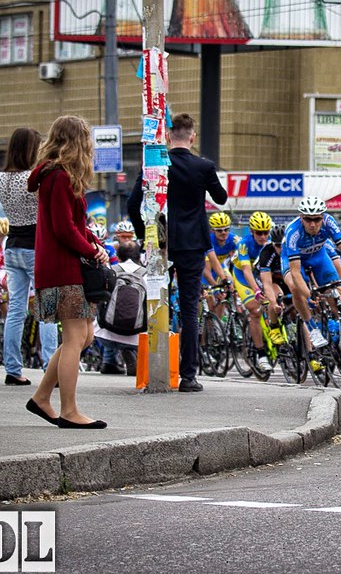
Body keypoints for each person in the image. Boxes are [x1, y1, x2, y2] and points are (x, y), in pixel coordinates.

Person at [127, 112, 228, 393]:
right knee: (189, 310)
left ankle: (155, 368)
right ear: (192, 137)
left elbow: (133, 203)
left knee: (156, 304)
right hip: (193, 245)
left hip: (161, 245)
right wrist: (205, 181)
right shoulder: (203, 166)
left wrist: (144, 234)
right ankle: (188, 377)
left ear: (168, 136)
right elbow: (221, 198)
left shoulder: (156, 167)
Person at [26, 115, 110, 429]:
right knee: (76, 337)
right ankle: (69, 410)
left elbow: (73, 226)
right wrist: (90, 249)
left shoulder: (58, 175)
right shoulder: (58, 176)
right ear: (77, 142)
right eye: (87, 140)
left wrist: (92, 241)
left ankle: (42, 397)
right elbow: (63, 228)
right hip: (63, 268)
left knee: (85, 336)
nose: (90, 147)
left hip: (63, 265)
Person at [0, 127, 59, 386]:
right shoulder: (35, 177)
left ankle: (12, 368)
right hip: (36, 246)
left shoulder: (0, 178)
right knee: (46, 310)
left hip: (12, 246)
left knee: (16, 310)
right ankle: (50, 367)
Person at [281, 196, 341, 379]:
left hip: (319, 257)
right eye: (308, 219)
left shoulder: (329, 222)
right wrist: (308, 294)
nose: (313, 224)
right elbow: (296, 273)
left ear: (323, 217)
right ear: (301, 218)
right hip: (294, 262)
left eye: (317, 219)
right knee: (296, 287)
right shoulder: (293, 232)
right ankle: (311, 327)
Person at [233, 211, 274, 374]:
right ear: (252, 231)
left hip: (260, 275)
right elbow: (247, 270)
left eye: (266, 232)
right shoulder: (244, 243)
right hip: (243, 276)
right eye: (259, 233)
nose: (263, 236)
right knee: (255, 310)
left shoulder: (270, 244)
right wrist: (256, 290)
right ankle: (261, 353)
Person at [95, 240, 143, 375]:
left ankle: (109, 361)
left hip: (105, 337)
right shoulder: (146, 274)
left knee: (106, 309)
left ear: (118, 257)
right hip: (137, 338)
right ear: (139, 257)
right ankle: (132, 352)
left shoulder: (109, 271)